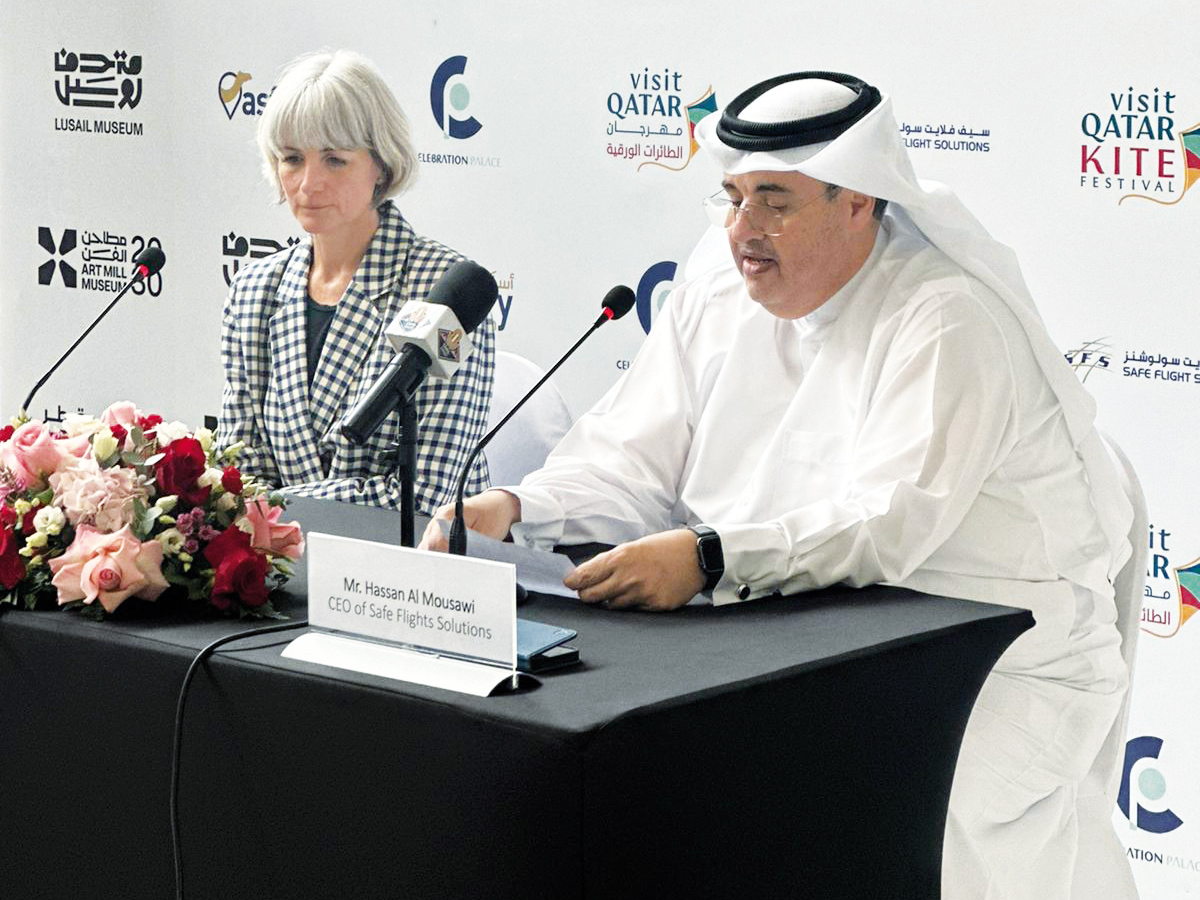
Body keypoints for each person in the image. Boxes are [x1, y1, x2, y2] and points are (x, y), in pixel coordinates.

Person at [421, 72, 1138, 900]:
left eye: (774, 200)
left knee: (837, 811)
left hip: (990, 660)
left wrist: (711, 556)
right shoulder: (721, 285)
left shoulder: (946, 316)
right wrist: (518, 509)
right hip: (786, 636)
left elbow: (885, 524)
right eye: (731, 197)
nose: (743, 230)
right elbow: (631, 456)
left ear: (860, 200)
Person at [218, 49, 494, 514]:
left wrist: (272, 509)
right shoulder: (253, 290)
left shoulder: (447, 290)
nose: (308, 184)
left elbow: (423, 497)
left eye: (335, 160)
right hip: (281, 565)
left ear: (381, 166)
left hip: (417, 570)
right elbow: (238, 472)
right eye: (291, 159)